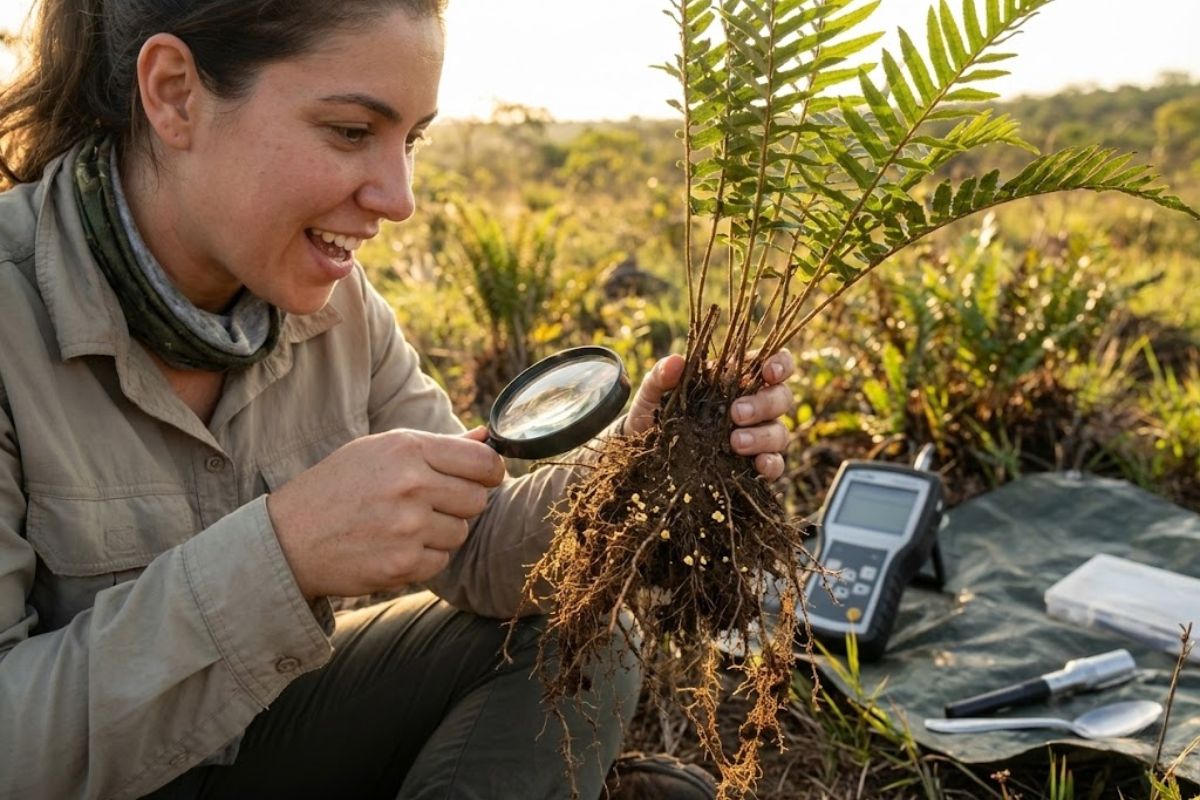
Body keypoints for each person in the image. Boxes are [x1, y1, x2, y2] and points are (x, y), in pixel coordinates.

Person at [0, 1, 797, 798]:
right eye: (351, 131)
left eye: (410, 141)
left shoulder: (336, 306)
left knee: (580, 638)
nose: (398, 197)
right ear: (175, 93)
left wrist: (636, 465)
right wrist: (282, 553)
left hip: (259, 741)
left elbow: (480, 549)